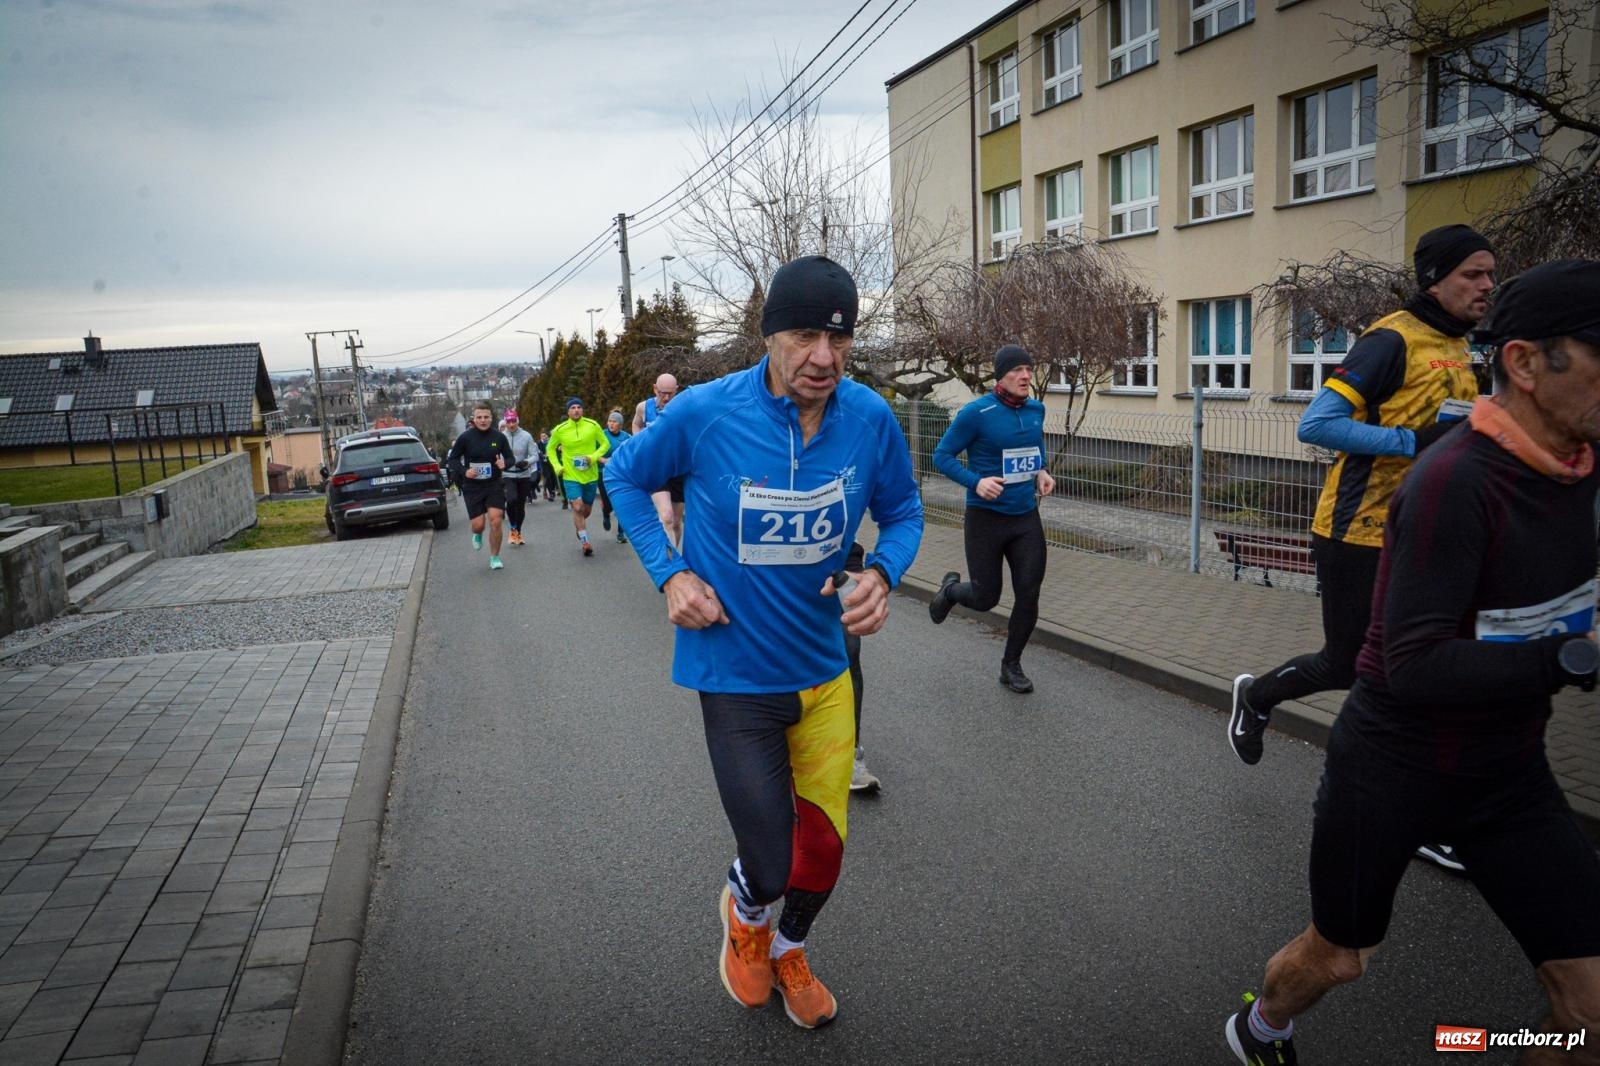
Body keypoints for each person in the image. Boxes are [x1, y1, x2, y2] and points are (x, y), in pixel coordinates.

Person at [1223, 258, 1600, 1066]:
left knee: (1590, 1009)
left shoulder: (1581, 469)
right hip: (1392, 769)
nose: (1479, 285)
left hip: (1510, 777)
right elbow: (1415, 665)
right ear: (1526, 364)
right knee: (1339, 957)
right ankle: (1261, 1026)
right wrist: (1570, 657)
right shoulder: (1453, 480)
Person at [604, 255, 923, 1029]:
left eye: (840, 339)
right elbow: (622, 477)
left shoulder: (869, 418)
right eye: (807, 335)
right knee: (772, 859)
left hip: (823, 672)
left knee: (823, 859)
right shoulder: (706, 412)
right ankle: (745, 917)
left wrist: (882, 570)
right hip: (736, 674)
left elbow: (906, 510)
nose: (824, 357)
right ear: (771, 334)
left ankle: (786, 947)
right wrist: (670, 575)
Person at [1226, 223, 1495, 872]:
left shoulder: (1465, 350)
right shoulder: (1391, 340)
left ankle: (1425, 816)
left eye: (1491, 273)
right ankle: (1256, 697)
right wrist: (1414, 444)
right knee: (1346, 665)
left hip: (1431, 535)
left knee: (1428, 673)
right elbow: (1316, 422)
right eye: (1473, 274)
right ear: (1437, 278)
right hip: (1358, 535)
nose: (1488, 285)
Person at [926, 344, 1056, 694]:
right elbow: (942, 456)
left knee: (1029, 595)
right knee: (986, 599)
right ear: (1001, 375)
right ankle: (951, 590)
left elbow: (1035, 452)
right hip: (986, 520)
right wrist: (976, 482)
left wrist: (1042, 472)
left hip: (1024, 518)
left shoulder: (1036, 410)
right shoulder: (976, 413)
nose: (1026, 376)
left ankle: (1010, 665)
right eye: (1018, 370)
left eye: (1029, 369)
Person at [445, 403, 514, 570]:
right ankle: (477, 534)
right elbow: (452, 460)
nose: (483, 420)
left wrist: (504, 464)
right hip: (473, 486)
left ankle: (495, 557)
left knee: (496, 519)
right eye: (479, 417)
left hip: (494, 484)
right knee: (479, 525)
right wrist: (464, 471)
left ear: (491, 418)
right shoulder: (465, 438)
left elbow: (511, 459)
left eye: (486, 417)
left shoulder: (499, 437)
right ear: (474, 419)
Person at [546, 397, 610, 557]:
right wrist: (557, 467)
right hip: (570, 475)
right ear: (568, 412)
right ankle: (585, 541)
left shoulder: (593, 425)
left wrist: (594, 457)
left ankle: (580, 526)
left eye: (578, 407)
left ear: (582, 410)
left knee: (586, 510)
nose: (576, 410)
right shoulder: (560, 430)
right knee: (577, 507)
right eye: (573, 408)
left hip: (590, 475)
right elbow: (550, 449)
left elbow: (605, 444)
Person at [841, 542, 879, 794]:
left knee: (849, 651)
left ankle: (851, 754)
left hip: (842, 559)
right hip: (774, 562)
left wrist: (882, 572)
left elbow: (902, 514)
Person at [633, 373, 686, 550]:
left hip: (678, 470)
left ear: (677, 390)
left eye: (670, 393)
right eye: (662, 393)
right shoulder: (643, 407)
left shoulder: (684, 407)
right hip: (655, 469)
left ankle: (673, 557)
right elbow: (636, 423)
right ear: (654, 388)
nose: (666, 398)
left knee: (677, 522)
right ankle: (669, 567)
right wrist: (639, 444)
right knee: (667, 517)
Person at [500, 409, 537, 546]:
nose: (511, 425)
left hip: (523, 474)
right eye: (508, 422)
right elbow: (496, 454)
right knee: (511, 500)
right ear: (505, 422)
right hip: (507, 474)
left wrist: (527, 462)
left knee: (520, 506)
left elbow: (535, 455)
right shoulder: (501, 437)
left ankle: (518, 532)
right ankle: (512, 527)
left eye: (513, 421)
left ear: (517, 421)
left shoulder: (526, 436)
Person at [596, 409, 632, 544]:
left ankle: (621, 533)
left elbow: (631, 453)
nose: (611, 424)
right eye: (609, 421)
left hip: (620, 475)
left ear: (620, 425)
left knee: (621, 504)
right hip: (603, 473)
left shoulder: (626, 437)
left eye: (614, 421)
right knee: (609, 502)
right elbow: (593, 453)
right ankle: (606, 513)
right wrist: (604, 460)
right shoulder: (601, 436)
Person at [537, 429, 560, 502]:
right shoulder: (539, 443)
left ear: (547, 436)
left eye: (544, 436)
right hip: (544, 462)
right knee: (547, 476)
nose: (543, 437)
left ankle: (554, 489)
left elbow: (555, 449)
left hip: (552, 461)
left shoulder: (551, 441)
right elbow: (537, 451)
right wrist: (542, 455)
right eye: (542, 436)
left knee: (553, 476)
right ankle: (551, 493)